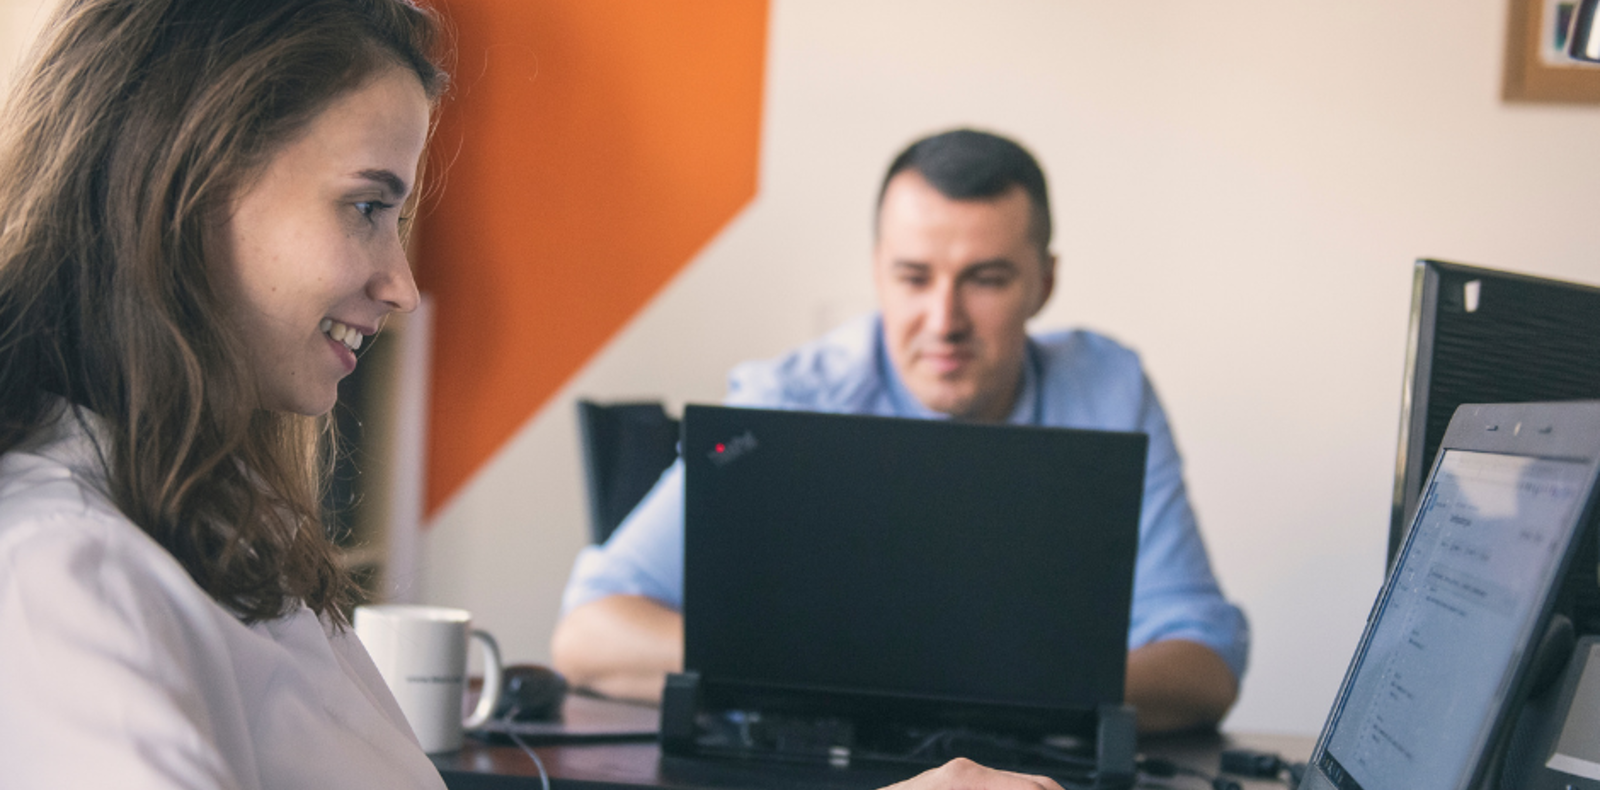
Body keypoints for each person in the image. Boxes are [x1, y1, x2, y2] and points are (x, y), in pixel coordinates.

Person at [0, 4, 1067, 790]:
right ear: (183, 191)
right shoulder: (58, 574)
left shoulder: (216, 529)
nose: (402, 285)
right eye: (367, 207)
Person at [552, 129, 1250, 734]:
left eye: (987, 279)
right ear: (878, 274)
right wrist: (932, 676)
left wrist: (934, 684)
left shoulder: (1110, 390)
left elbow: (1204, 665)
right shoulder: (792, 400)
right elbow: (588, 636)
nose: (943, 320)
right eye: (913, 277)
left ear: (1044, 282)